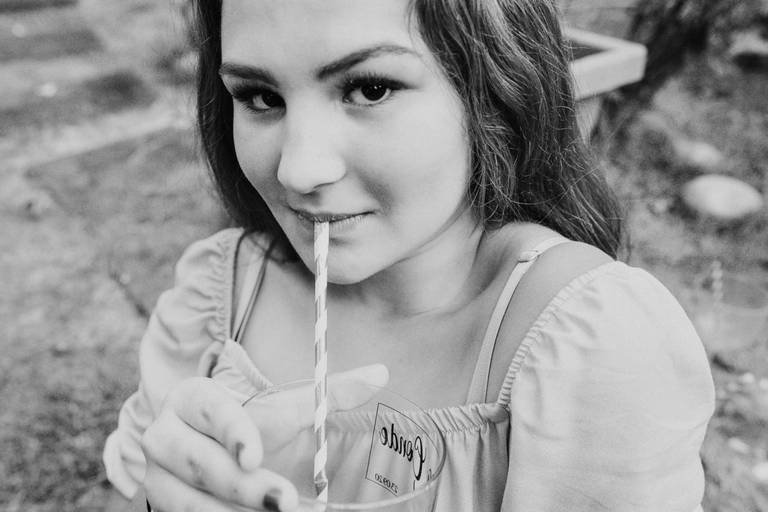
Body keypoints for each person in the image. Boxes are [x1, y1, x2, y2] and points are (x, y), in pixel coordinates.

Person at [103, 0, 716, 510]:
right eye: (261, 97)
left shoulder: (592, 349)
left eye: (369, 88)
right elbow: (139, 483)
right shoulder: (217, 295)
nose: (299, 167)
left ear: (497, 86)